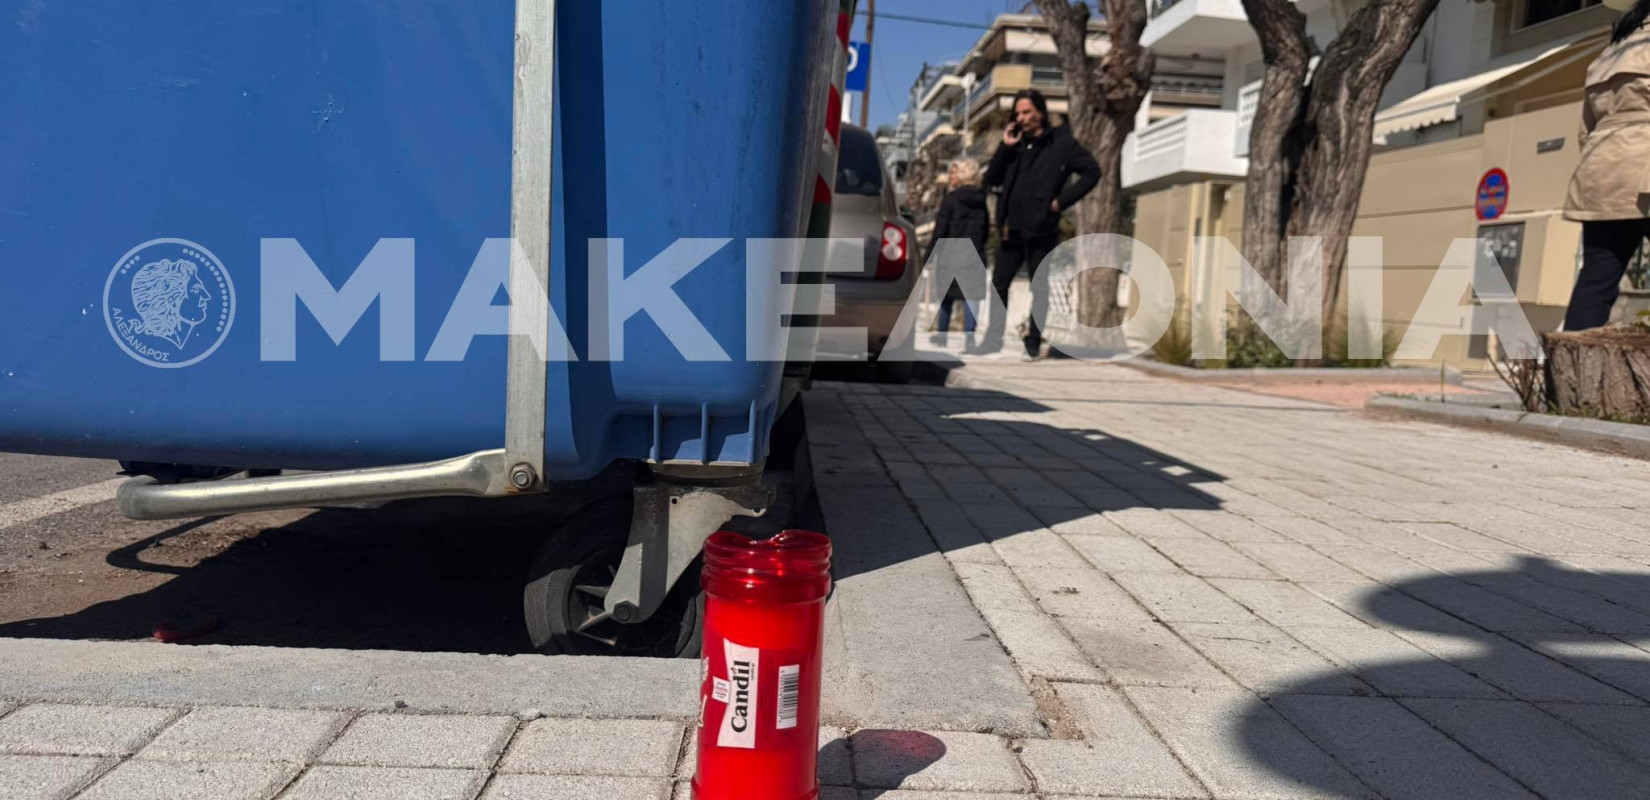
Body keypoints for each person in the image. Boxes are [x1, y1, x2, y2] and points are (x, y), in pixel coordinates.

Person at [977, 88, 1100, 359]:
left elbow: (1092, 172)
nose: (1022, 118)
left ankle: (1033, 340)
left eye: (1027, 112)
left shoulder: (1062, 143)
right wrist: (1004, 147)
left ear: (1041, 113)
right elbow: (991, 180)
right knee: (999, 283)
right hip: (1011, 227)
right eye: (1018, 113)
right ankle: (993, 338)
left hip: (1042, 225)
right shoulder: (1014, 145)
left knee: (1039, 285)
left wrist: (1060, 202)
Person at [1562, 0, 1650, 331]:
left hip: (1600, 171)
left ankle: (1568, 378)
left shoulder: (1607, 55)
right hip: (1644, 165)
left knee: (1596, 281)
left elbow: (1585, 131)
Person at [926, 157, 990, 347]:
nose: (950, 177)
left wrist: (928, 256)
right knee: (971, 295)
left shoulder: (951, 200)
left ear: (962, 176)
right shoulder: (981, 201)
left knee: (946, 296)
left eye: (953, 173)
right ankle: (969, 336)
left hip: (951, 253)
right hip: (974, 252)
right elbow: (985, 229)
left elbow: (940, 230)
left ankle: (942, 335)